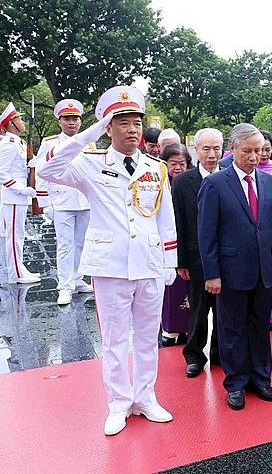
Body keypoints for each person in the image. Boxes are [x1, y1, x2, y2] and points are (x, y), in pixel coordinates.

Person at [38, 86, 177, 436]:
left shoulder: (155, 167)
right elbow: (49, 169)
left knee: (147, 338)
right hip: (110, 265)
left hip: (147, 262)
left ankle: (145, 398)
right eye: (123, 123)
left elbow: (165, 217)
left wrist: (169, 260)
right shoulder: (90, 164)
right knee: (114, 339)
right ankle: (118, 403)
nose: (133, 130)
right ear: (108, 128)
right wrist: (89, 132)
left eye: (137, 123)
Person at [197, 123, 272, 410]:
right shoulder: (215, 183)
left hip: (264, 267)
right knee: (232, 329)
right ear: (233, 149)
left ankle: (261, 379)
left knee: (260, 327)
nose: (253, 156)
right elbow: (206, 234)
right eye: (247, 151)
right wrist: (211, 274)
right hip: (230, 270)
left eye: (258, 151)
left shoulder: (270, 181)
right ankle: (235, 382)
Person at [172, 128, 223, 378]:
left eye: (216, 149)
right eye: (206, 149)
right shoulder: (183, 182)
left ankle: (219, 354)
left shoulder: (230, 177)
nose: (212, 155)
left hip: (227, 256)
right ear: (196, 150)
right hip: (196, 257)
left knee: (225, 311)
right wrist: (180, 261)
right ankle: (193, 355)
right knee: (198, 310)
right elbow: (179, 224)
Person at [35, 99, 92, 304]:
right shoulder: (50, 143)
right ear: (60, 121)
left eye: (75, 118)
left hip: (84, 201)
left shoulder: (88, 143)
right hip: (61, 200)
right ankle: (65, 286)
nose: (72, 123)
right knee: (65, 245)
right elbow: (41, 174)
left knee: (81, 244)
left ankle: (77, 279)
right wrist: (45, 203)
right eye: (67, 119)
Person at [0, 104, 40, 285]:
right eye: (19, 120)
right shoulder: (10, 145)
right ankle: (15, 274)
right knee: (14, 236)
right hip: (13, 196)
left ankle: (19, 268)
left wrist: (30, 166)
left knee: (19, 235)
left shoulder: (19, 143)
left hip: (19, 196)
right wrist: (21, 189)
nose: (22, 122)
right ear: (11, 124)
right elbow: (1, 172)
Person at [158, 144, 193, 347]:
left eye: (182, 164)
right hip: (166, 243)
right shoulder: (159, 182)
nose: (178, 168)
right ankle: (170, 329)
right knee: (170, 288)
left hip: (186, 241)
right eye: (173, 164)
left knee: (189, 288)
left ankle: (188, 328)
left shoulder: (191, 182)